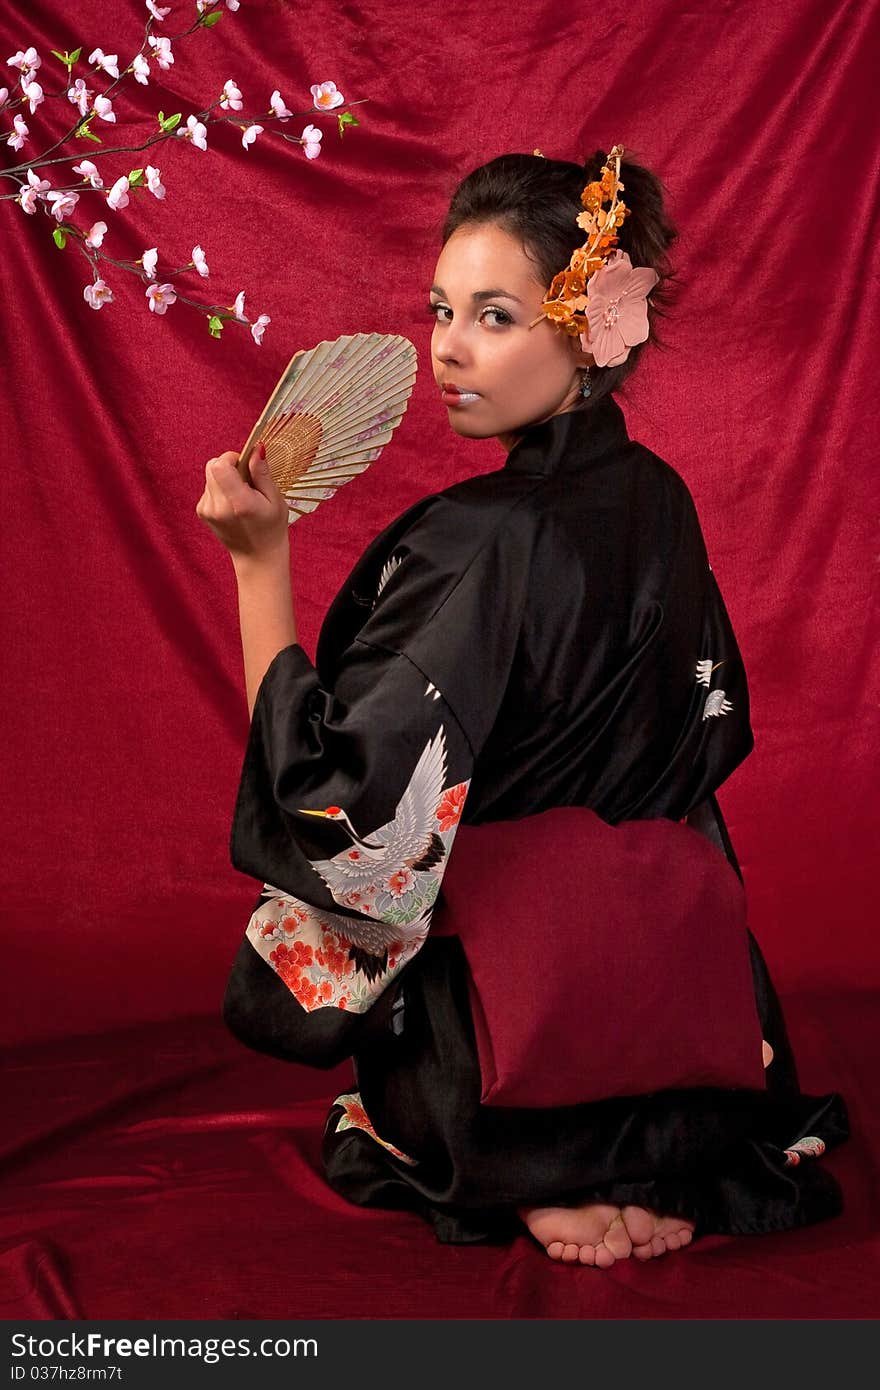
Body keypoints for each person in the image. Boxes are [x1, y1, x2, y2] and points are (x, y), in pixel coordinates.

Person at [198, 146, 849, 1267]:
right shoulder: (661, 498)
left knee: (404, 893)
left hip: (505, 1031)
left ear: (592, 329)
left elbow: (342, 807)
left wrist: (262, 564)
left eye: (494, 315)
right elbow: (696, 748)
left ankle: (533, 1168)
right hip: (674, 1010)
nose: (447, 345)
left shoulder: (482, 539)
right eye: (441, 308)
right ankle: (633, 1151)